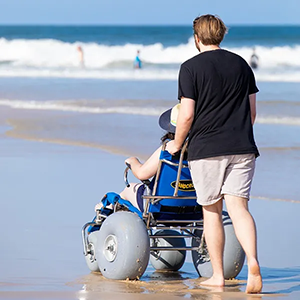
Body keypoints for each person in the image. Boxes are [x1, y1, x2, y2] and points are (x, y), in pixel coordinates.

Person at [166, 15, 262, 294]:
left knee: (211, 211)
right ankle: (253, 262)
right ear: (222, 35)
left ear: (197, 37)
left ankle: (218, 275)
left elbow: (186, 116)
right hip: (243, 147)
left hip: (207, 149)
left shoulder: (190, 68)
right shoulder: (242, 65)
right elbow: (252, 112)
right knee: (239, 208)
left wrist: (176, 143)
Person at [95, 104, 180, 212]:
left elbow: (142, 174)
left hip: (160, 206)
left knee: (130, 189)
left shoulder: (169, 147)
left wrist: (133, 161)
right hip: (196, 208)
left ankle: (106, 212)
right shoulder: (201, 150)